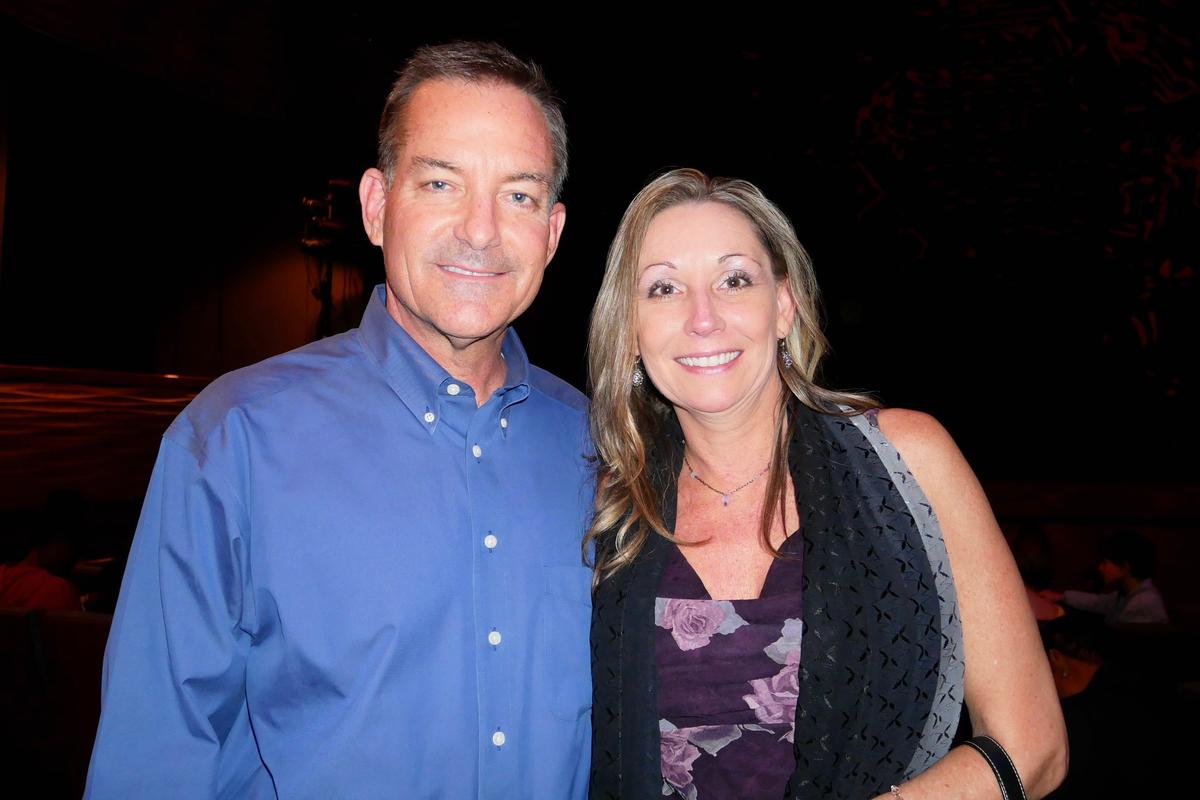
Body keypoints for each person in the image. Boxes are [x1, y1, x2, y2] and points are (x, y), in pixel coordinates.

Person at [86, 42, 594, 799]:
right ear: (377, 206)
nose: (481, 230)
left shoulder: (601, 447)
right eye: (441, 182)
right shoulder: (234, 437)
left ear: (551, 234)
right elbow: (152, 762)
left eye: (517, 195)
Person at [586, 169, 1067, 799]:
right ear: (629, 328)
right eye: (664, 288)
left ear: (784, 305)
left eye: (735, 280)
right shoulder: (604, 504)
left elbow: (1034, 748)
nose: (702, 318)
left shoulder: (905, 461)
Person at [1042, 529, 1169, 626]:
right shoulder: (1130, 595)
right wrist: (1061, 596)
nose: (1100, 568)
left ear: (1125, 566)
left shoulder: (1142, 603)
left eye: (1105, 562)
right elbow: (1099, 602)